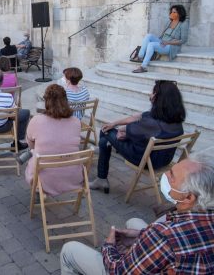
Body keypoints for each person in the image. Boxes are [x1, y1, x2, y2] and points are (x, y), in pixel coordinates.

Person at [60, 151, 214, 274]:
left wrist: (108, 246)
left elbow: (118, 271)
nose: (165, 175)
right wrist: (142, 237)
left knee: (69, 250)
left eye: (172, 176)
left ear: (188, 197)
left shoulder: (163, 236)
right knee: (134, 221)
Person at [90, 80, 186, 193]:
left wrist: (123, 132)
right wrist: (116, 124)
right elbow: (137, 117)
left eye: (152, 92)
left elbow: (127, 134)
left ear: (158, 97)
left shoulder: (151, 123)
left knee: (105, 131)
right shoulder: (173, 118)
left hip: (145, 160)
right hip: (165, 159)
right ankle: (103, 149)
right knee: (106, 137)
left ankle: (101, 177)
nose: (150, 94)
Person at [24, 84, 81, 195]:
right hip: (72, 177)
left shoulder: (36, 120)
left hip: (44, 179)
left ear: (46, 101)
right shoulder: (76, 122)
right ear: (65, 100)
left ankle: (39, 193)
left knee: (33, 155)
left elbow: (30, 144)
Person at [132, 4, 189, 73]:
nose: (172, 14)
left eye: (174, 12)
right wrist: (159, 41)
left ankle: (143, 67)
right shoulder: (169, 22)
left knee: (151, 45)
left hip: (172, 46)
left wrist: (168, 42)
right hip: (163, 41)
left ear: (180, 14)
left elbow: (183, 40)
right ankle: (140, 56)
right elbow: (163, 34)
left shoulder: (183, 24)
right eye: (171, 12)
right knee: (149, 36)